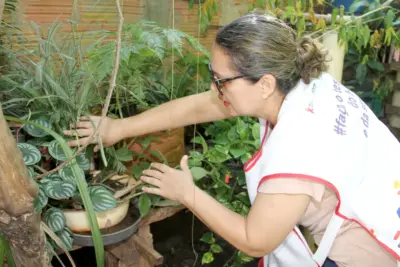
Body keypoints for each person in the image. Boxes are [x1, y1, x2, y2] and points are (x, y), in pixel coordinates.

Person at [65, 13, 400, 267]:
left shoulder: (298, 148)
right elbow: (200, 106)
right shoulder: (305, 83)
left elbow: (255, 241)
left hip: (372, 252)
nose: (213, 89)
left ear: (265, 83)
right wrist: (118, 128)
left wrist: (186, 192)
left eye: (220, 80)